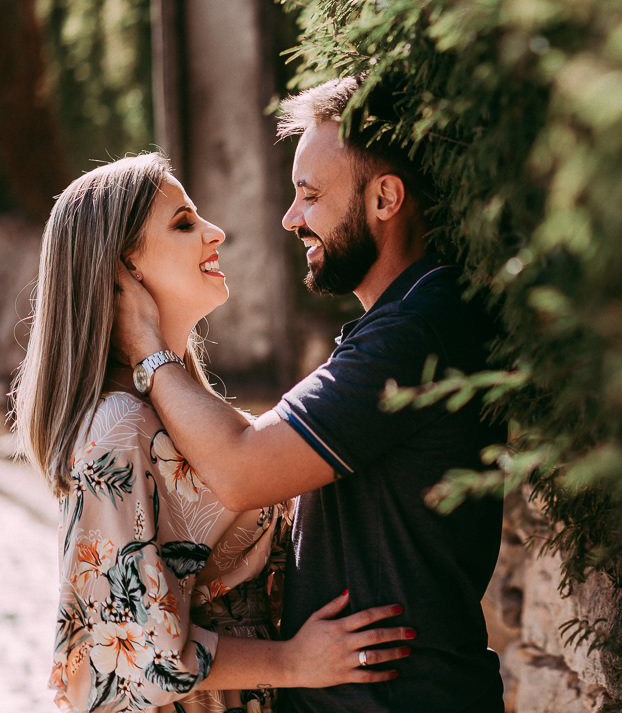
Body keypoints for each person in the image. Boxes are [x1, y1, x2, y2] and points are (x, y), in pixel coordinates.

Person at [112, 77, 506, 713]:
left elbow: (243, 467)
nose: (292, 218)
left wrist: (146, 349)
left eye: (311, 195)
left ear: (385, 198)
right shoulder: (400, 322)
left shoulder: (417, 333)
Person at [10, 153, 414, 713]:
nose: (215, 231)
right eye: (183, 223)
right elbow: (124, 650)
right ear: (124, 270)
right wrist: (295, 662)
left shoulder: (179, 413)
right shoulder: (117, 429)